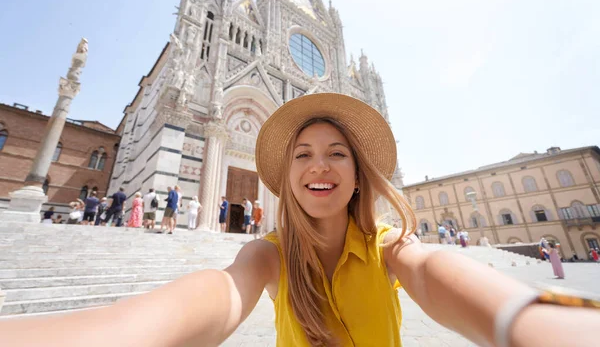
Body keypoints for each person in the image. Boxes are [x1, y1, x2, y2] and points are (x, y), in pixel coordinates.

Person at [3, 93, 600, 347]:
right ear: (285, 177)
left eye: (338, 153)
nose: (320, 167)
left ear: (360, 174)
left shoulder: (389, 246)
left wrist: (532, 320)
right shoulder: (267, 254)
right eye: (303, 155)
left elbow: (435, 275)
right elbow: (214, 298)